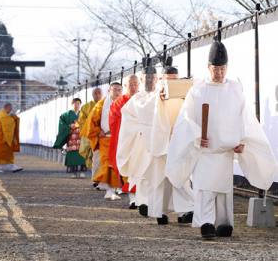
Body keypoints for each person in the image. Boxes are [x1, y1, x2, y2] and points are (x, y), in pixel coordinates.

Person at [165, 41, 278, 238]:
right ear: (208, 67)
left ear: (227, 67)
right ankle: (206, 223)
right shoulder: (197, 90)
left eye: (223, 69)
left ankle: (224, 224)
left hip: (225, 150)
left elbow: (245, 117)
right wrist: (197, 136)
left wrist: (243, 140)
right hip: (205, 150)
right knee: (205, 188)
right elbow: (186, 118)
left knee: (224, 191)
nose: (219, 73)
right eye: (215, 69)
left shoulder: (235, 89)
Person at [117, 58, 194, 224]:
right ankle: (160, 212)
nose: (150, 80)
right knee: (158, 179)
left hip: (176, 140)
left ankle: (185, 211)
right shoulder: (145, 98)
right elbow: (134, 114)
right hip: (154, 143)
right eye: (147, 78)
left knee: (180, 175)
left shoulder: (179, 95)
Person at [81, 82, 123, 200]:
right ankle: (110, 190)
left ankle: (115, 189)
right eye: (114, 89)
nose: (117, 92)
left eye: (119, 90)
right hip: (106, 138)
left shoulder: (125, 102)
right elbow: (91, 121)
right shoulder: (102, 104)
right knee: (108, 164)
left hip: (121, 139)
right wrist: (98, 131)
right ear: (109, 91)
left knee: (118, 164)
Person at [109, 75, 140, 209]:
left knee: (142, 167)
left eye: (135, 84)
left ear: (139, 85)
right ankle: (133, 199)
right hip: (126, 141)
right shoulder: (118, 103)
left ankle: (143, 199)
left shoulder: (145, 99)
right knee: (129, 169)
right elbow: (113, 122)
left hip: (142, 140)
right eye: (130, 84)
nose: (133, 87)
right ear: (125, 87)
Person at [53, 98, 86, 178]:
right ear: (72, 105)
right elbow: (62, 122)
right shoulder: (66, 115)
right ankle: (73, 172)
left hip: (80, 137)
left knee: (81, 153)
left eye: (78, 103)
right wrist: (68, 128)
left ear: (80, 105)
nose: (76, 105)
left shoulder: (83, 113)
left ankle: (81, 171)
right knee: (72, 154)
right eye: (74, 104)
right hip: (71, 138)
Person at [79, 87, 102, 185]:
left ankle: (103, 179)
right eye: (95, 93)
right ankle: (96, 178)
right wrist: (93, 130)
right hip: (92, 135)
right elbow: (82, 121)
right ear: (92, 95)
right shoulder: (86, 107)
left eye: (99, 93)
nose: (97, 95)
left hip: (104, 134)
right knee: (95, 157)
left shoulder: (105, 104)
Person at [0, 103, 23, 173]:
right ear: (7, 108)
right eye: (10, 109)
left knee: (8, 153)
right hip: (2, 138)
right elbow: (8, 123)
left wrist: (11, 118)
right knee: (1, 153)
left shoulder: (3, 114)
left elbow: (7, 121)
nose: (10, 110)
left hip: (3, 138)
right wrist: (13, 119)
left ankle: (13, 166)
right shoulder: (2, 114)